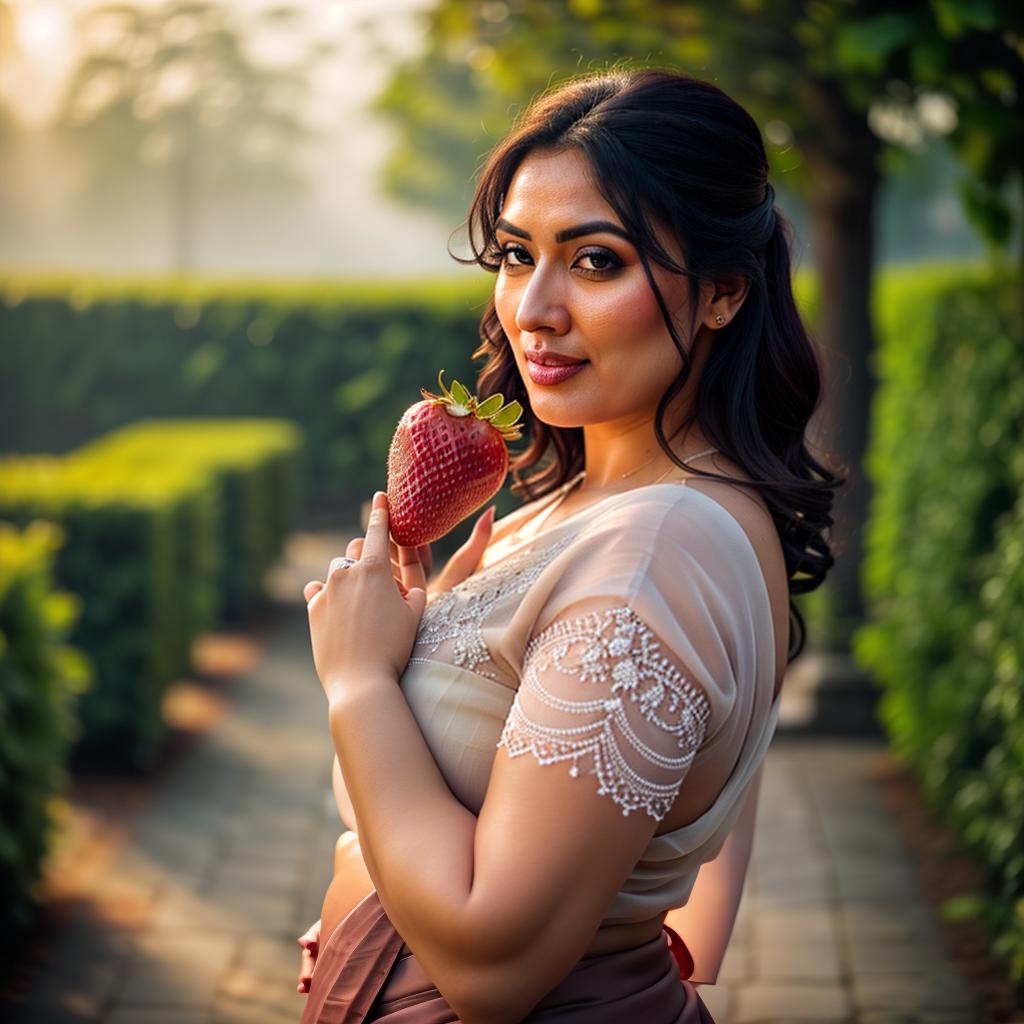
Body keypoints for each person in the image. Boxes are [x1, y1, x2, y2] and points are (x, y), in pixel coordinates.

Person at [299, 67, 844, 1023]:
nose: (534, 309)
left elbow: (492, 971)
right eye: (516, 254)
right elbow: (695, 907)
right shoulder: (599, 509)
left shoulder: (659, 547)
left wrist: (359, 682)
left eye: (596, 261)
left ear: (722, 292)